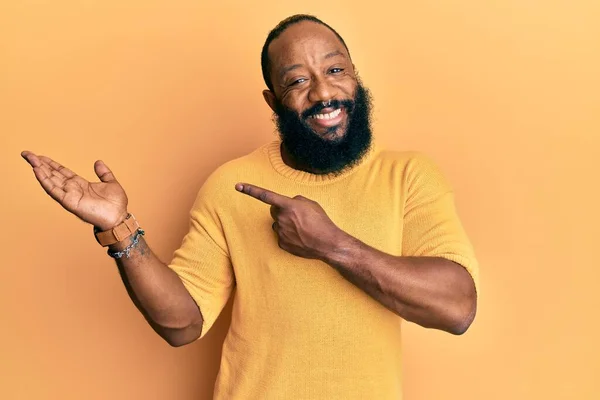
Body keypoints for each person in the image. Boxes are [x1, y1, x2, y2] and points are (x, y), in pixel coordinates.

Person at [21, 14, 479, 400]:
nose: (323, 93)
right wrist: (119, 229)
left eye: (336, 71)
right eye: (298, 80)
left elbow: (457, 308)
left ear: (355, 76)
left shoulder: (409, 176)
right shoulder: (231, 186)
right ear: (273, 100)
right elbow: (182, 325)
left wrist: (331, 244)